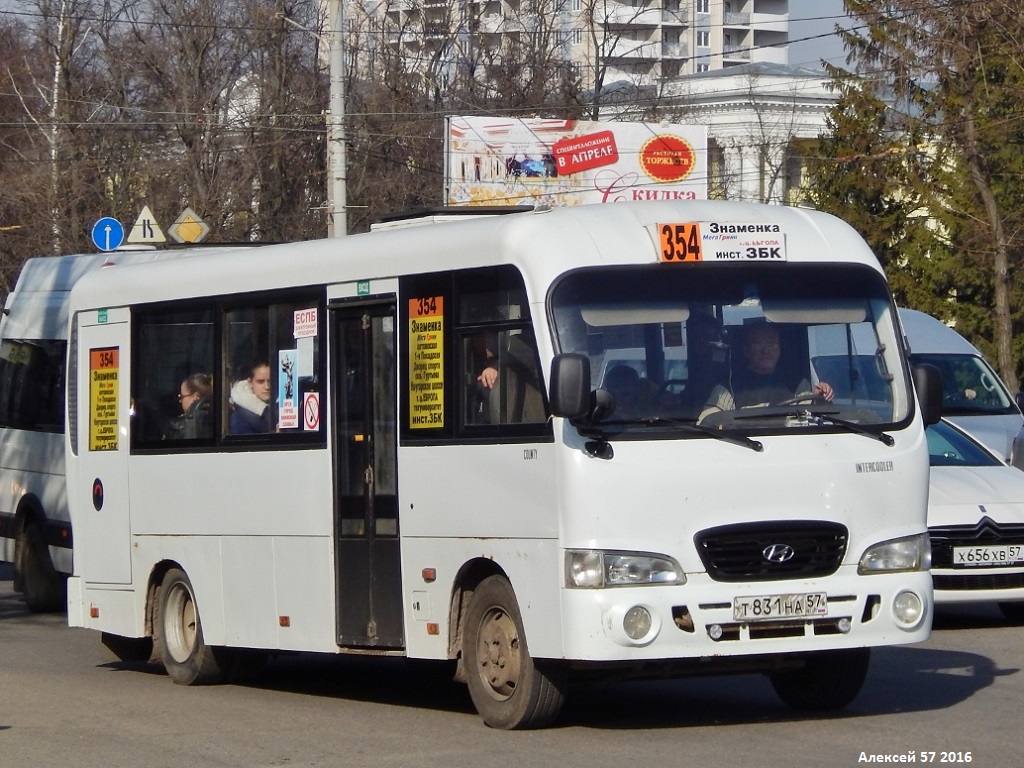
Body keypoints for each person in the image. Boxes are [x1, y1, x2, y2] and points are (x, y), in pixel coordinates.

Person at [701, 322, 833, 417]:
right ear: (746, 351)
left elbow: (810, 418)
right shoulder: (729, 387)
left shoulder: (797, 383)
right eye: (758, 345)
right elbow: (708, 419)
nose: (766, 350)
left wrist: (820, 399)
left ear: (780, 349)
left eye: (771, 344)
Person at [230, 361, 272, 434]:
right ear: (250, 383)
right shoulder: (239, 418)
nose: (267, 387)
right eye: (260, 382)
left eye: (270, 381)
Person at [168, 372, 213, 439]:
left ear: (196, 398)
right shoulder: (222, 418)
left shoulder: (178, 427)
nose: (180, 401)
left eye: (182, 396)